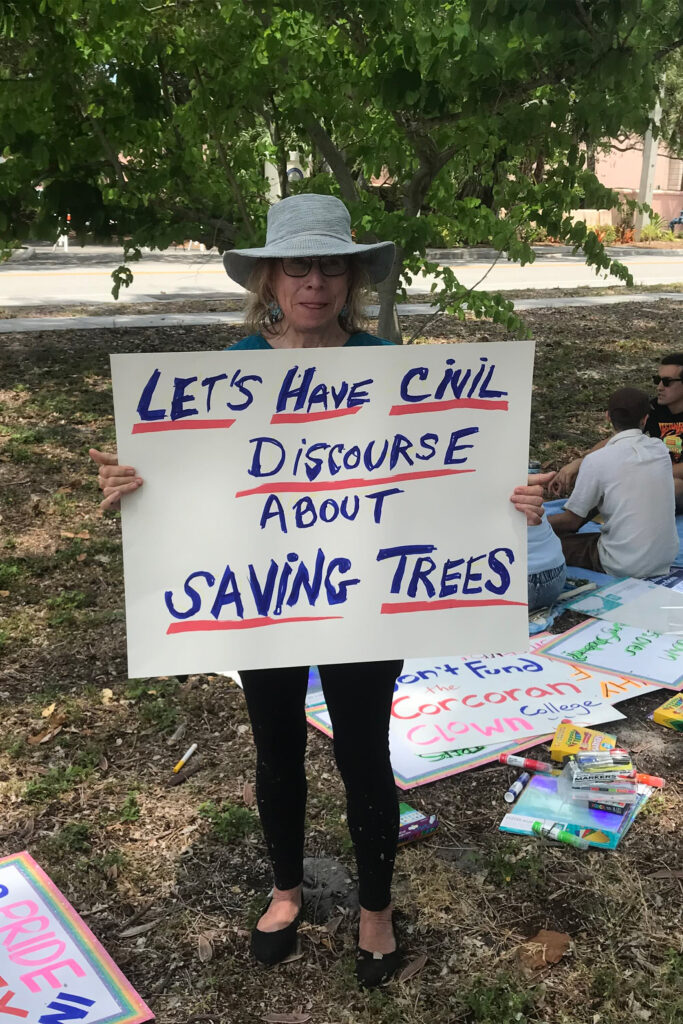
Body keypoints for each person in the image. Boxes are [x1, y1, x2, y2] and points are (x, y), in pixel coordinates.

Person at [89, 193, 547, 987]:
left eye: (328, 265)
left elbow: (442, 480)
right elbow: (192, 486)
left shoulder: (389, 369)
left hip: (365, 603)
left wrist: (508, 501)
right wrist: (135, 486)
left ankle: (375, 907)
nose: (313, 281)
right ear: (268, 280)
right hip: (267, 602)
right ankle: (286, 889)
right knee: (277, 753)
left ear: (350, 278)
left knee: (364, 753)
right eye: (296, 265)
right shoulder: (227, 374)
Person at [547, 387, 678, 577]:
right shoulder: (660, 450)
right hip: (665, 558)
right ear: (645, 419)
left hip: (623, 564)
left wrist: (534, 526)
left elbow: (570, 521)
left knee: (547, 543)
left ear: (607, 416)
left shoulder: (597, 460)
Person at [550, 353, 683, 511]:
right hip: (652, 479)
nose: (659, 387)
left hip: (669, 482)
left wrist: (645, 472)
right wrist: (581, 463)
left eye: (666, 382)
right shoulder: (653, 409)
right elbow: (618, 439)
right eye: (657, 380)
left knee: (675, 484)